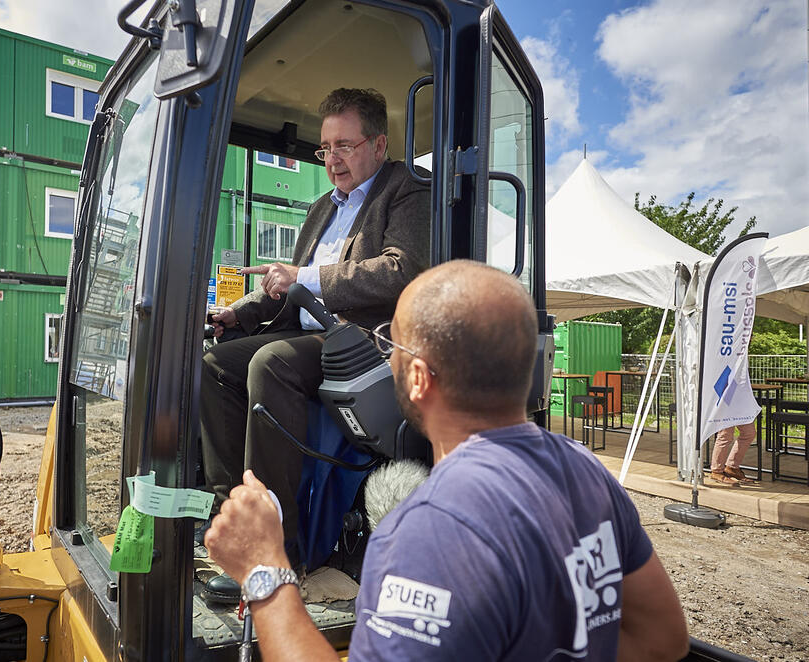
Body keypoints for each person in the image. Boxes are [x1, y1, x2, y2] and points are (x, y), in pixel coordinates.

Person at [205, 261, 689, 661]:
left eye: (390, 344)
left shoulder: (429, 530)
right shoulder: (590, 476)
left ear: (418, 377)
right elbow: (662, 641)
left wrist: (265, 571)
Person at [199, 88, 430, 586]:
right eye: (325, 149)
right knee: (213, 365)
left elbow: (400, 269)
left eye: (344, 145)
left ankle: (279, 547)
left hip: (360, 341)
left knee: (271, 363)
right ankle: (233, 518)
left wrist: (306, 275)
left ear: (379, 144)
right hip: (307, 331)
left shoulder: (407, 189)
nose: (332, 160)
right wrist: (235, 315)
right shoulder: (322, 207)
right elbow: (283, 282)